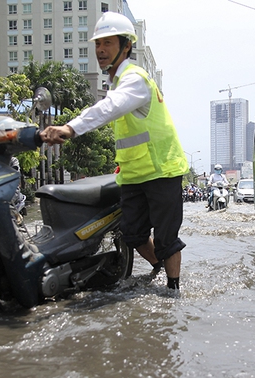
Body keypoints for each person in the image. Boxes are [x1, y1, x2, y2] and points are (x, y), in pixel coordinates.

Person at [40, 11, 189, 290]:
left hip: (161, 171)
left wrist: (70, 128)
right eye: (98, 44)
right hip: (133, 175)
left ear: (126, 46)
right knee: (132, 233)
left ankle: (173, 290)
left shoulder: (135, 79)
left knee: (167, 239)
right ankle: (159, 266)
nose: (100, 50)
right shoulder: (117, 83)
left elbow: (107, 109)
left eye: (108, 43)